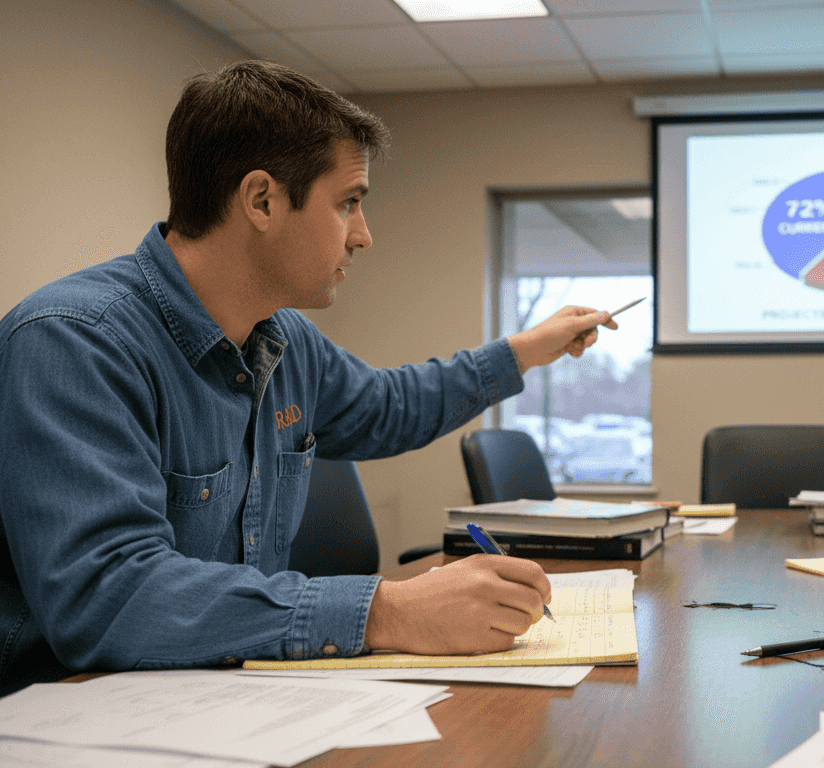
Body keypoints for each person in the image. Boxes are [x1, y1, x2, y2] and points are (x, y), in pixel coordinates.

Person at [0, 60, 619, 696]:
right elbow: (107, 595)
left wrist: (519, 353)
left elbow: (388, 407)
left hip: (228, 698)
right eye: (349, 203)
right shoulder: (74, 340)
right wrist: (387, 611)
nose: (364, 236)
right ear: (262, 200)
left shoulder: (286, 340)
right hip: (73, 718)